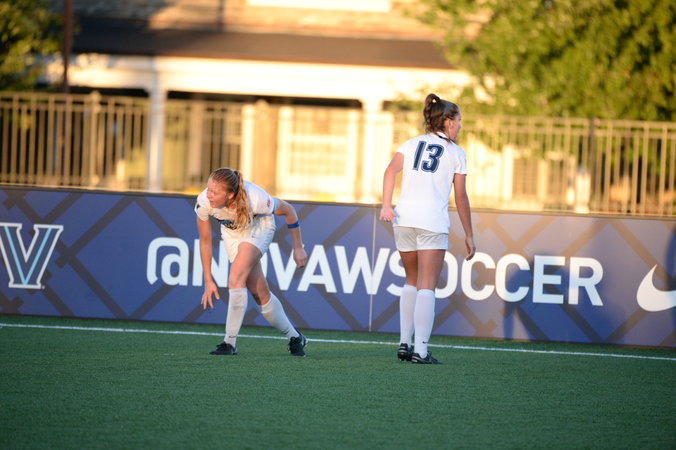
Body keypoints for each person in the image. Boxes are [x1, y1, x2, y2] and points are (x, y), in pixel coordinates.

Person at [379, 94, 476, 365]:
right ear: (448, 122)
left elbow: (389, 171)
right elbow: (461, 197)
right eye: (458, 121)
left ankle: (404, 343)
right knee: (427, 286)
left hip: (403, 218)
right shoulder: (456, 153)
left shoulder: (410, 144)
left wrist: (386, 205)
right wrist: (469, 234)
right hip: (431, 221)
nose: (460, 126)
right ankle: (421, 351)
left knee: (411, 279)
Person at [195, 168, 308, 356]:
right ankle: (295, 337)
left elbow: (289, 210)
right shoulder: (204, 202)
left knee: (235, 278)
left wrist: (298, 247)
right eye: (208, 189)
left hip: (259, 227)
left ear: (230, 195)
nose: (209, 195)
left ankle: (229, 343)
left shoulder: (256, 198)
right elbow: (205, 241)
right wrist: (208, 279)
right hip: (232, 234)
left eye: (214, 192)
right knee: (259, 294)